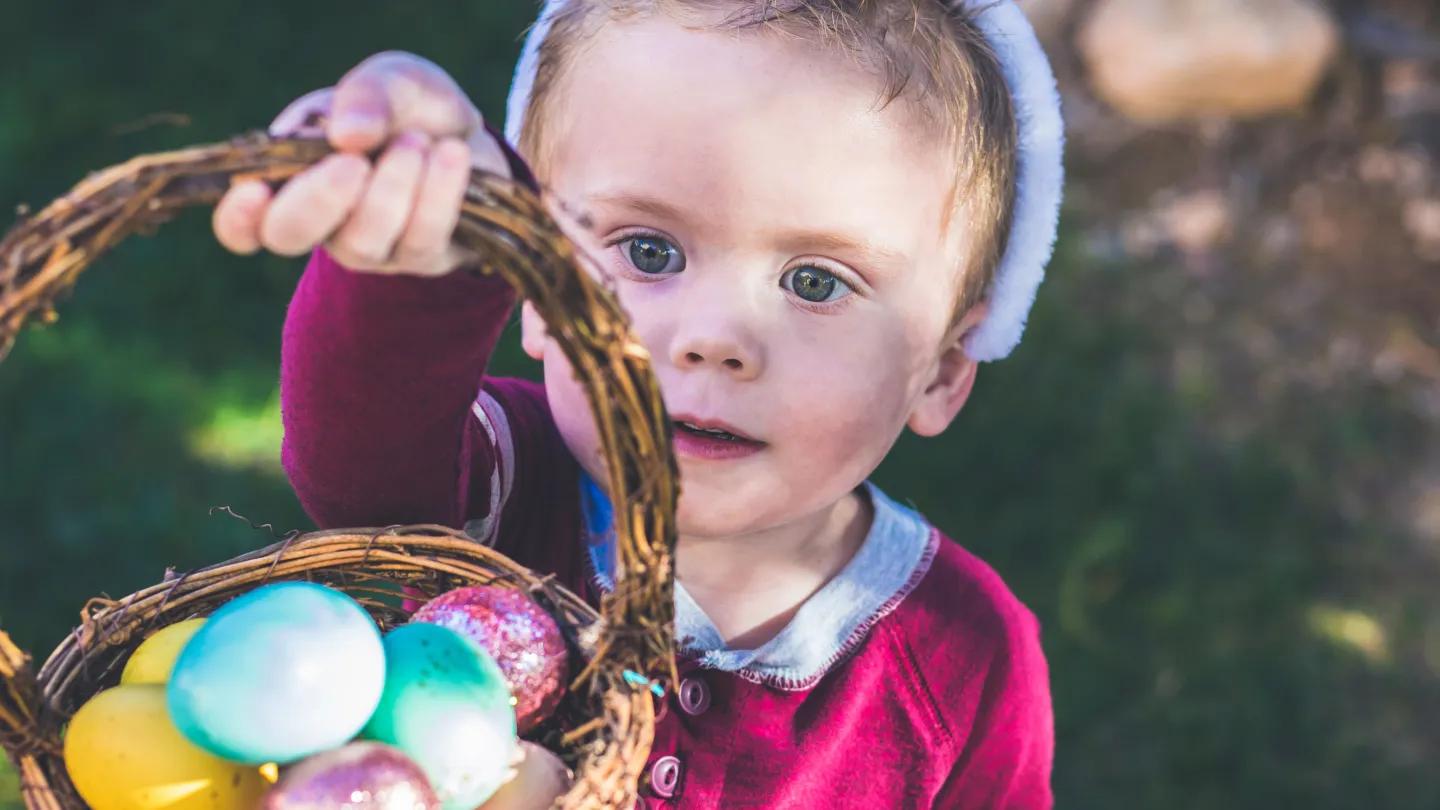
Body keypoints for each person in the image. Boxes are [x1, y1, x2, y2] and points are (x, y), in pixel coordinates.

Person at [213, 0, 1065, 806]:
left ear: (943, 369)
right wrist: (433, 248)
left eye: (816, 281)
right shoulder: (504, 486)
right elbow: (362, 462)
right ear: (538, 292)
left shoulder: (967, 659)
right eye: (649, 251)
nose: (715, 337)